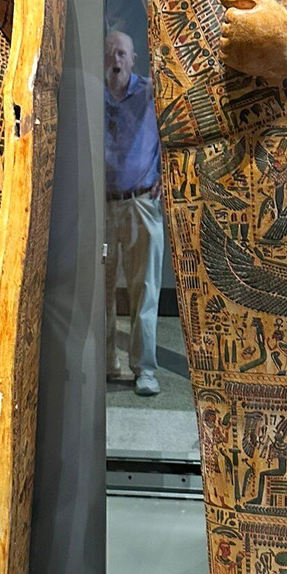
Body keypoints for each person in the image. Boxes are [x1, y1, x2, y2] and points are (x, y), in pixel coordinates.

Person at [105, 31, 163, 396]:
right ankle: (105, 362)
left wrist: (168, 174)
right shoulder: (95, 95)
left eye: (122, 53)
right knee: (100, 288)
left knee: (145, 288)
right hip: (101, 205)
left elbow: (177, 130)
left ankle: (145, 369)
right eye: (110, 53)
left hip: (141, 202)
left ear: (133, 59)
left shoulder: (150, 93)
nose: (116, 60)